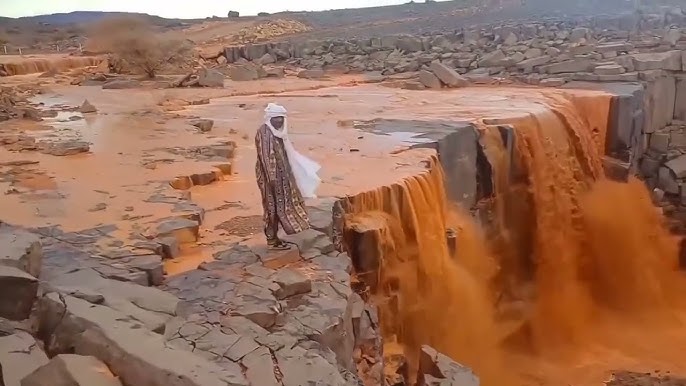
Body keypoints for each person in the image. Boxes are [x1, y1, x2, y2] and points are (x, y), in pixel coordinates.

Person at [255, 103, 322, 250]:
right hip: (270, 179)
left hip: (282, 177)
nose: (279, 121)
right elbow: (266, 157)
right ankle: (272, 240)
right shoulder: (265, 133)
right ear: (270, 118)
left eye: (281, 118)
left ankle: (276, 238)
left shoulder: (278, 132)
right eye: (276, 118)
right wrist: (272, 179)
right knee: (271, 208)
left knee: (283, 206)